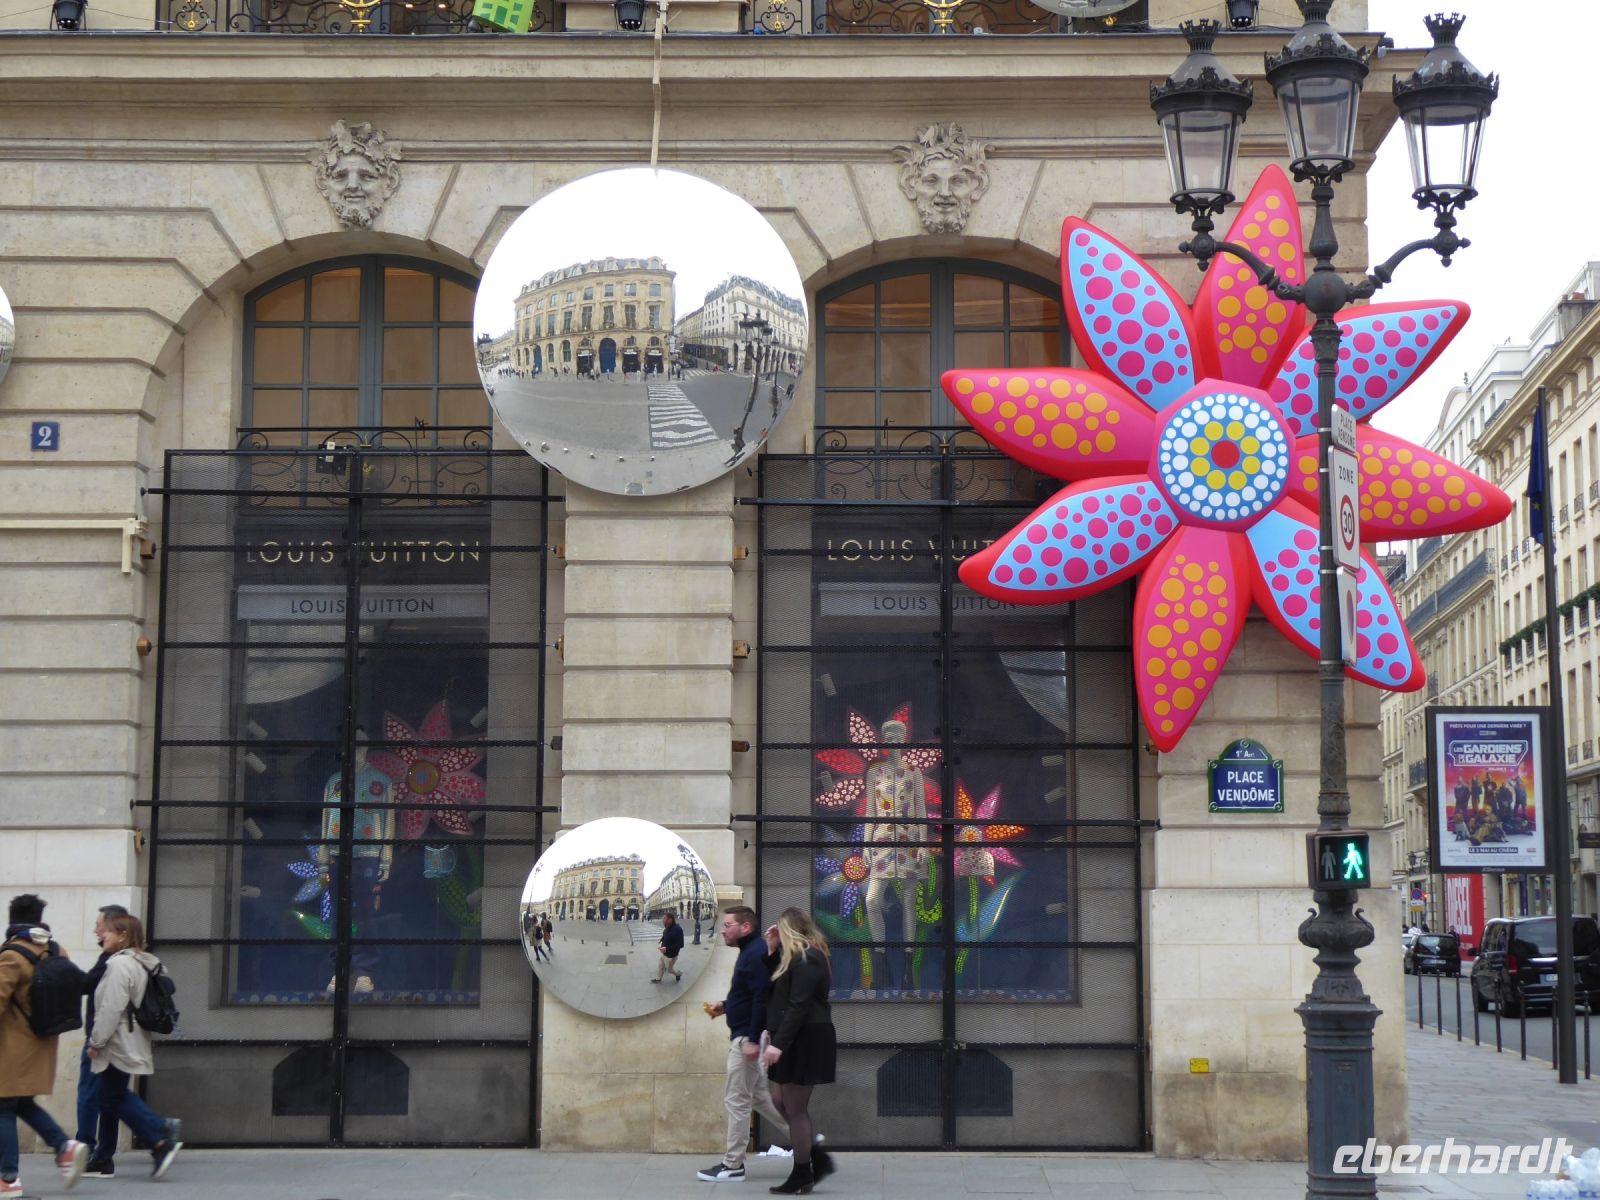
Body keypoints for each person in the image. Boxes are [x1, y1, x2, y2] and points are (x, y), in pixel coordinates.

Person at [78, 905, 180, 1179]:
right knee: (111, 1096)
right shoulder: (140, 961)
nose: (102, 936)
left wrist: (96, 1041)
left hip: (116, 1043)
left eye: (107, 931)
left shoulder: (120, 964)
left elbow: (111, 1007)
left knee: (113, 1097)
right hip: (129, 1040)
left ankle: (161, 1136)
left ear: (122, 935)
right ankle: (152, 1143)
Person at [0, 893, 89, 1196]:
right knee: (21, 1103)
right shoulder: (56, 950)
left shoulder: (12, 954)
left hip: (12, 1048)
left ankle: (8, 1178)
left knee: (2, 1108)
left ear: (12, 920)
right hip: (43, 1042)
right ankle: (64, 1146)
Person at [696, 907, 790, 1184]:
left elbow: (762, 998)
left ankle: (732, 1164)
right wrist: (725, 1007)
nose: (723, 930)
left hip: (745, 1038)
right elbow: (749, 995)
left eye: (727, 925)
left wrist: (751, 1039)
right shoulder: (752, 952)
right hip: (746, 1035)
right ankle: (806, 1138)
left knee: (736, 1100)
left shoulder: (755, 954)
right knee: (759, 1096)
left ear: (745, 927)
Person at [761, 909, 837, 1195]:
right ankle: (814, 1157)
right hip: (796, 1035)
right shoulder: (796, 957)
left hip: (805, 1037)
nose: (776, 935)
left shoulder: (809, 957)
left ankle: (803, 1171)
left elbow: (798, 1005)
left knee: (794, 1107)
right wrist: (770, 951)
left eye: (780, 931)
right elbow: (778, 991)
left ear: (790, 930)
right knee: (780, 1100)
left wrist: (779, 1044)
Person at [652, 912, 683, 983]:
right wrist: (661, 940)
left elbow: (680, 944)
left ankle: (678, 974)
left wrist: (667, 949)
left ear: (670, 919)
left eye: (664, 918)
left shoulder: (678, 929)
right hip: (664, 953)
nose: (662, 920)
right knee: (661, 966)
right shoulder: (667, 928)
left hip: (671, 956)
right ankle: (658, 979)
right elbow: (665, 935)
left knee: (669, 970)